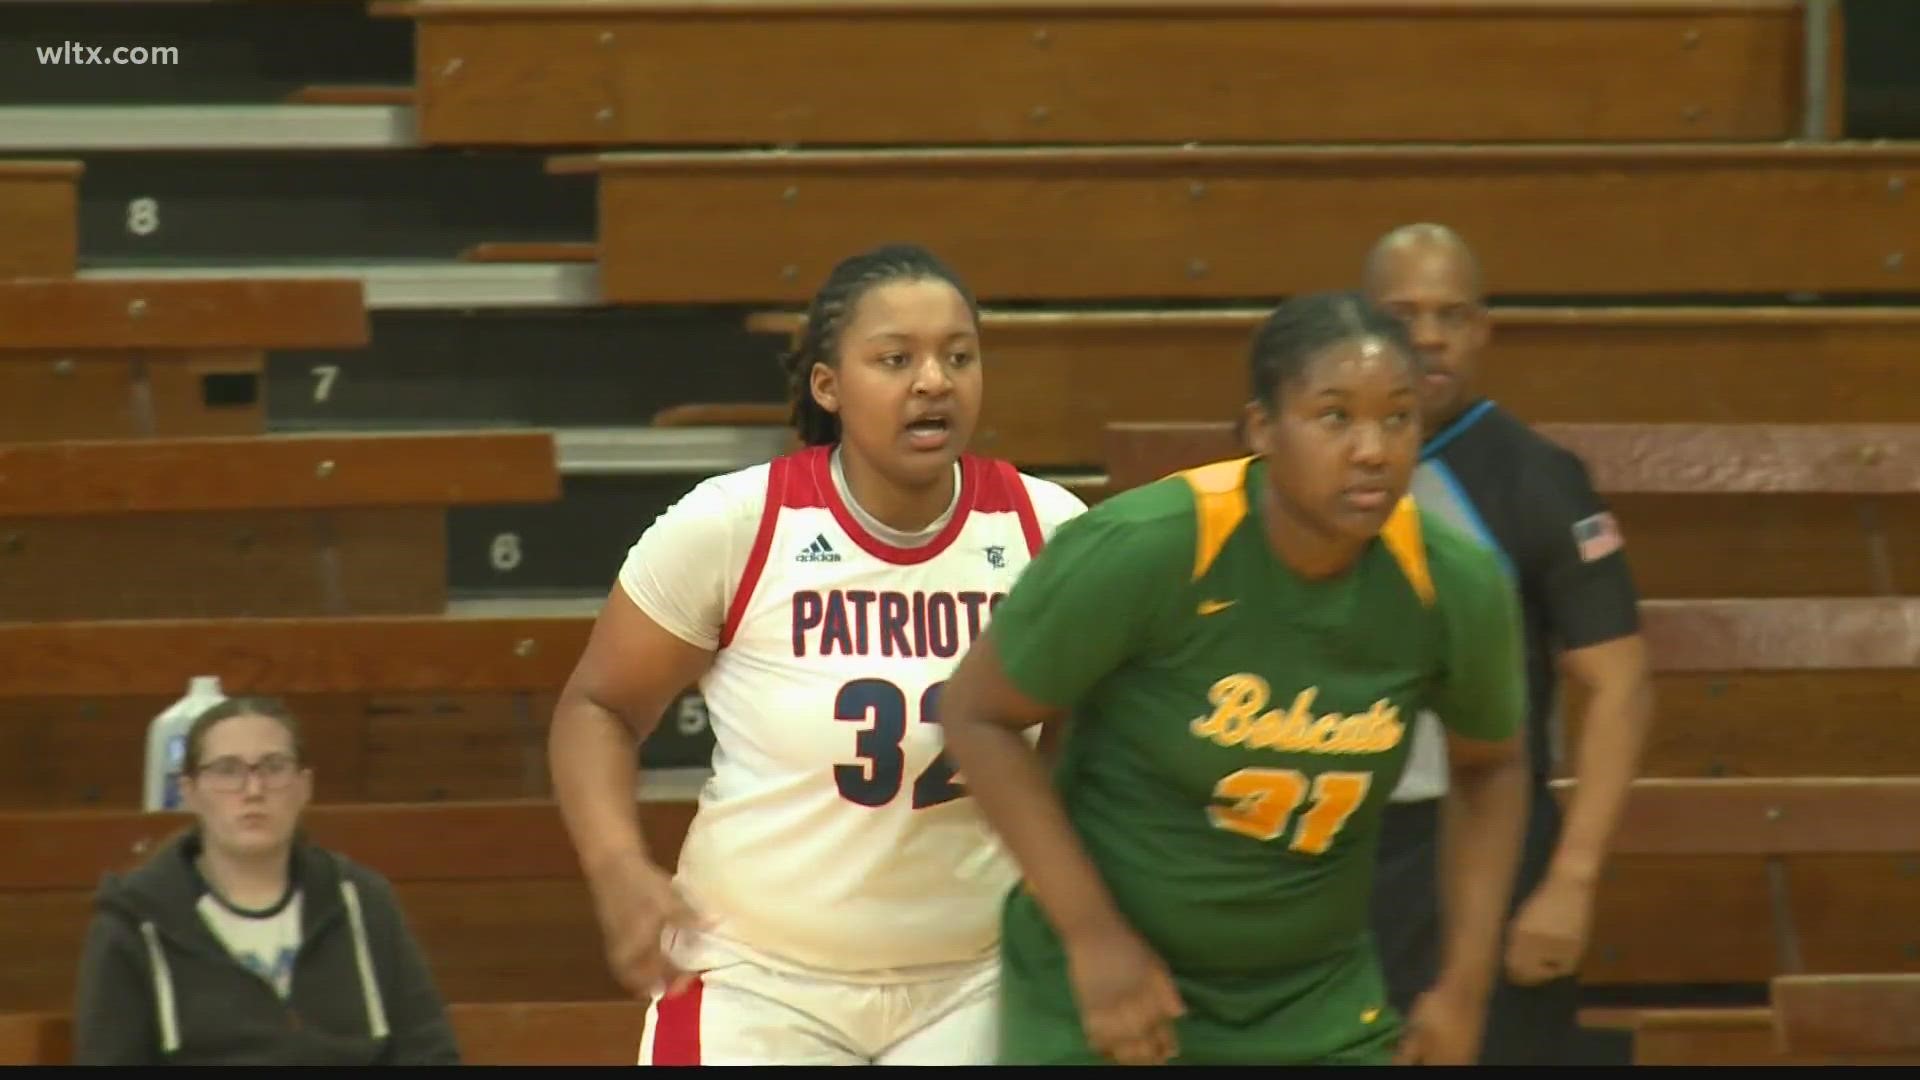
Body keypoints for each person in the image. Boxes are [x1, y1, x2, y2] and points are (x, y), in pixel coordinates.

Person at [937, 290, 1533, 1066]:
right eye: (1334, 417)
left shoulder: (1453, 584)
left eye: (1398, 418)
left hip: (1313, 998)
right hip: (1117, 980)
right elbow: (977, 715)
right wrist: (1093, 937)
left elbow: (1492, 767)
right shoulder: (1149, 547)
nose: (1373, 450)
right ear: (1262, 430)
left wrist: (1462, 988)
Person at [547, 243, 1087, 1065]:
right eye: (896, 358)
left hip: (976, 977)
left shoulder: (1046, 532)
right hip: (757, 977)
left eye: (958, 356)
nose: (933, 380)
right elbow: (599, 707)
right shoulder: (734, 524)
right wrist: (617, 868)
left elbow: (1087, 724)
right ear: (828, 387)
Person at [1362, 223, 1656, 1065]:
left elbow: (1619, 686)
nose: (1427, 337)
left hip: (1485, 844)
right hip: (1335, 845)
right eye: (1401, 314)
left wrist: (1570, 882)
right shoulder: (1303, 470)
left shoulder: (1533, 477)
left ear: (1482, 330)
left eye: (1451, 315)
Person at [72, 697, 460, 1066]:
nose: (253, 791)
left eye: (273, 767)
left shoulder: (363, 901)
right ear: (189, 792)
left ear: (304, 786)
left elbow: (429, 1052)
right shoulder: (134, 921)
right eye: (227, 770)